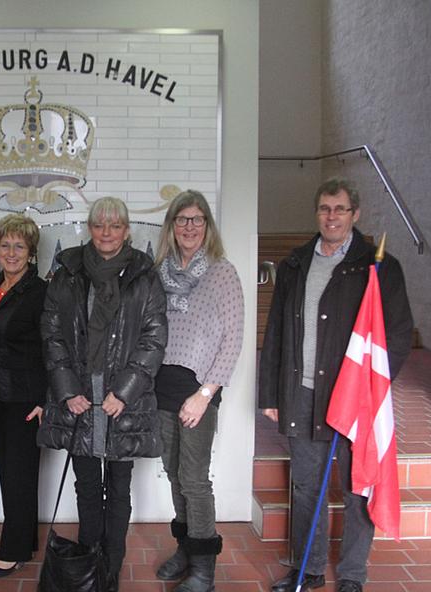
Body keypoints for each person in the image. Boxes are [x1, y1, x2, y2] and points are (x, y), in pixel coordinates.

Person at [258, 178, 413, 592]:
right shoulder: (295, 263)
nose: (332, 217)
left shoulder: (379, 266)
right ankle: (307, 569)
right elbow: (275, 330)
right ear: (317, 213)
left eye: (340, 209)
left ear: (355, 214)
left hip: (354, 399)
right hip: (303, 395)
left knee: (358, 488)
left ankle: (351, 575)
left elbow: (397, 336)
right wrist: (271, 394)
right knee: (307, 487)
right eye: (325, 209)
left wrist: (372, 389)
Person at [37, 196, 167, 592]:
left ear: (127, 231)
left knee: (120, 485)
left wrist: (125, 392)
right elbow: (52, 332)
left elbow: (154, 338)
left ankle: (110, 568)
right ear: (90, 229)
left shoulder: (145, 275)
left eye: (115, 225)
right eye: (99, 225)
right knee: (88, 484)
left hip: (122, 400)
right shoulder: (68, 272)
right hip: (80, 397)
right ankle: (89, 562)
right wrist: (67, 389)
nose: (107, 232)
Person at [153, 190, 244, 592]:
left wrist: (204, 393)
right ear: (172, 226)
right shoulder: (159, 272)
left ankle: (204, 570)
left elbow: (234, 337)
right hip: (162, 387)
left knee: (193, 479)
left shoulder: (223, 272)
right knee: (173, 473)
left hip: (198, 391)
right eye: (182, 219)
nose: (190, 227)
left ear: (207, 226)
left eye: (197, 219)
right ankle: (185, 550)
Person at [0, 214, 47, 578]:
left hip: (26, 397)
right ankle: (24, 539)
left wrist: (44, 398)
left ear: (31, 252)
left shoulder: (39, 293)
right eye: (5, 245)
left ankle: (14, 548)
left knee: (19, 472)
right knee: (11, 470)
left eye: (19, 246)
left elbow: (53, 347)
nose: (12, 252)